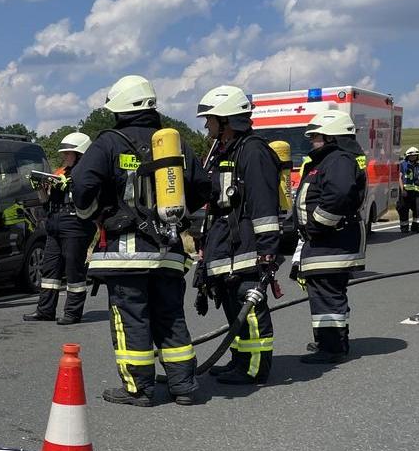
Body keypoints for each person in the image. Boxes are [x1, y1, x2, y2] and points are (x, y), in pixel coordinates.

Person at [71, 76, 210, 407]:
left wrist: (95, 213)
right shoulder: (173, 144)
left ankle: (139, 388)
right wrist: (177, 214)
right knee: (171, 316)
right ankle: (184, 387)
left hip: (126, 254)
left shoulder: (108, 142)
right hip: (170, 251)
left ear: (118, 109)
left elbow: (81, 184)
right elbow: (204, 186)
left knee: (131, 319)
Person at [195, 85, 281, 385]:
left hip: (247, 248)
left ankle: (255, 367)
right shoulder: (225, 152)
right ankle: (240, 360)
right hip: (227, 248)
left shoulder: (253, 150)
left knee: (250, 308)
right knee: (234, 307)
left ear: (227, 120)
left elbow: (263, 204)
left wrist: (267, 251)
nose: (207, 125)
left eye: (211, 119)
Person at [293, 110, 366, 364]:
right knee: (325, 293)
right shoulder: (328, 160)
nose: (312, 140)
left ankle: (332, 348)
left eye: (316, 136)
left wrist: (316, 226)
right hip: (327, 242)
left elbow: (338, 196)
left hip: (331, 242)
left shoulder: (338, 160)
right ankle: (331, 341)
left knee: (327, 294)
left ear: (331, 137)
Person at [22, 132, 96, 325]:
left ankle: (72, 313)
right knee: (49, 270)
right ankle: (45, 310)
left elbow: (93, 202)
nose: (64, 156)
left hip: (76, 225)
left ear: (80, 153)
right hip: (54, 223)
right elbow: (45, 201)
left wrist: (74, 185)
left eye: (68, 153)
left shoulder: (89, 175)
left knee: (73, 270)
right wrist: (40, 188)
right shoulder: (59, 173)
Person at [397, 146, 419, 233]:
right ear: (408, 156)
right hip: (406, 191)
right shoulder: (402, 165)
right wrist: (402, 190)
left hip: (417, 191)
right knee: (404, 209)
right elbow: (400, 178)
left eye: (416, 155)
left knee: (418, 208)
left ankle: (415, 227)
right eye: (412, 155)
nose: (414, 157)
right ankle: (404, 227)